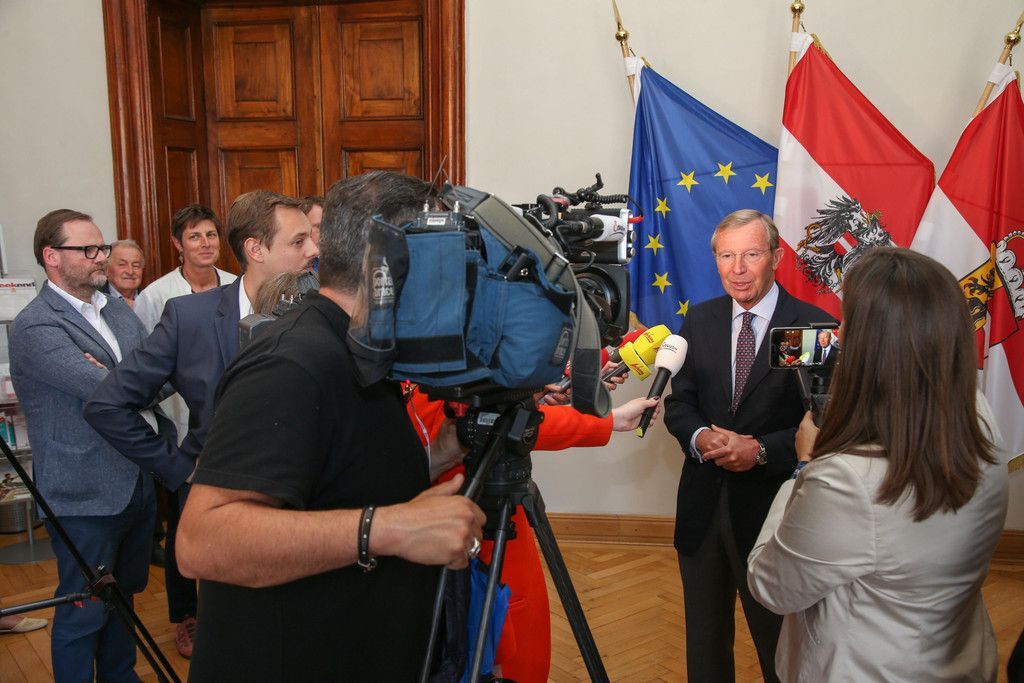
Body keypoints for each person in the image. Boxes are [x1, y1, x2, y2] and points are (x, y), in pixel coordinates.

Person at [173, 171, 483, 681]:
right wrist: (385, 530)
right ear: (389, 263)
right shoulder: (291, 363)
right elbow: (203, 541)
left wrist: (440, 453)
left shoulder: (362, 348)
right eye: (443, 256)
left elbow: (334, 480)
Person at [748, 248, 1009, 681]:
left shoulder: (847, 479)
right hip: (961, 661)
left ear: (874, 347)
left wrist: (805, 466)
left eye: (847, 321)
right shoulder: (980, 419)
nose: (838, 333)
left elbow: (770, 585)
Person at [83, 191, 317, 659]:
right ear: (255, 249)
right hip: (221, 508)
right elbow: (107, 404)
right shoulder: (189, 317)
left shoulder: (324, 312)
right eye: (299, 241)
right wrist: (177, 468)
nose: (313, 250)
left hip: (307, 505)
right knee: (233, 639)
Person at [10, 209, 193, 680]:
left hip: (135, 481)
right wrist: (122, 381)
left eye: (102, 247)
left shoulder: (115, 311)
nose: (101, 258)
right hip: (83, 494)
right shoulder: (36, 325)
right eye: (88, 249)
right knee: (84, 609)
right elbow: (114, 392)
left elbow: (157, 376)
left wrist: (117, 378)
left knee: (123, 599)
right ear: (52, 257)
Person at [663, 209, 834, 683]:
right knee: (705, 649)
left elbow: (826, 426)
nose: (737, 269)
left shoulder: (817, 327)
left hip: (775, 516)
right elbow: (680, 404)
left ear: (776, 257)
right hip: (702, 510)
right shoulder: (699, 321)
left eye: (751, 255)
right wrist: (700, 436)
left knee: (780, 651)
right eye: (726, 256)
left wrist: (759, 450)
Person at [102, 239, 145, 308]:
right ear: (106, 269)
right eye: (122, 264)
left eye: (135, 265)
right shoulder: (93, 299)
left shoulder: (151, 299)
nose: (130, 272)